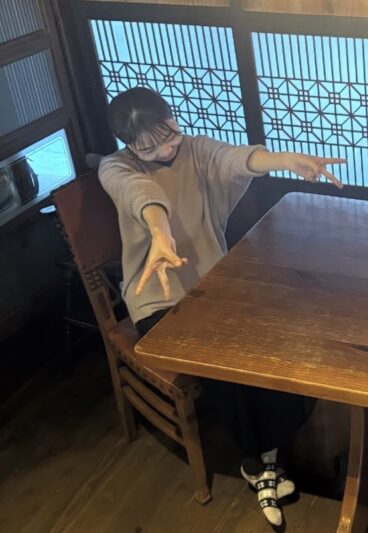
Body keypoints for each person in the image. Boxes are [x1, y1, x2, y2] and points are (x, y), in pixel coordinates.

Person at [99, 87, 346, 528]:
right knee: (222, 362)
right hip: (158, 296)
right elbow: (140, 194)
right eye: (151, 148)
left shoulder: (194, 150)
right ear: (129, 145)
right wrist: (160, 233)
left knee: (279, 336)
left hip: (212, 285)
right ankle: (256, 463)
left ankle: (267, 454)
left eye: (169, 136)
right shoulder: (116, 167)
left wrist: (286, 160)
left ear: (173, 118)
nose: (166, 151)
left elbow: (236, 158)